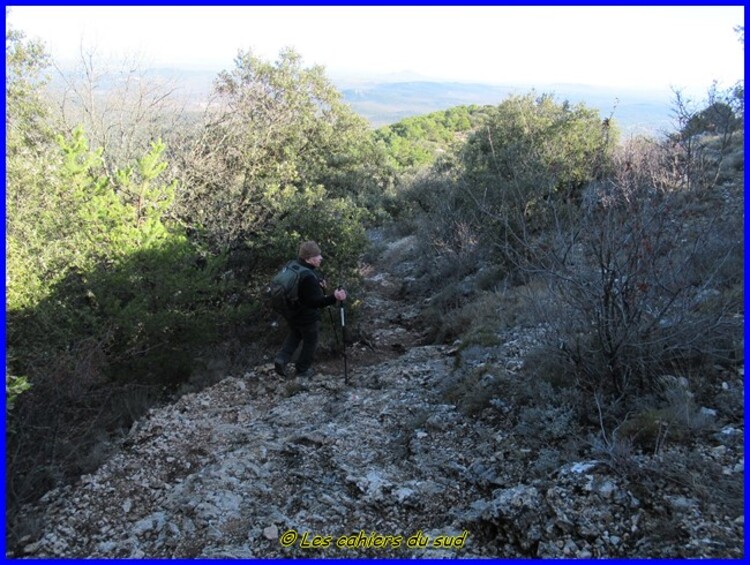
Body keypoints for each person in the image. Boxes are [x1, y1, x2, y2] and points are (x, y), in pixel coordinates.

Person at [274, 241, 347, 378]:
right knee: (310, 341)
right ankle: (302, 370)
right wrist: (334, 297)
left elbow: (301, 287)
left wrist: (317, 283)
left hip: (290, 311)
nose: (321, 258)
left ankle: (281, 359)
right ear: (308, 258)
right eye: (317, 255)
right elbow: (315, 303)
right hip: (306, 316)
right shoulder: (308, 277)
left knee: (295, 334)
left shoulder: (293, 265)